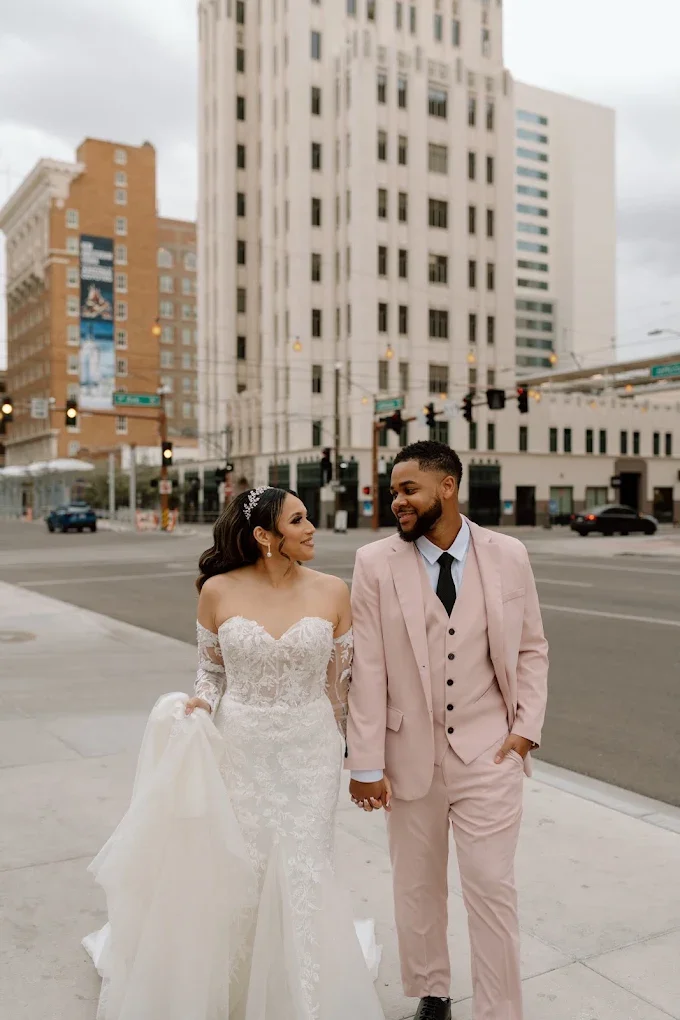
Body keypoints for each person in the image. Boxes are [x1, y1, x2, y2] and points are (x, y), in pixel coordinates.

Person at [84, 487, 384, 1020]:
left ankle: (304, 994)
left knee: (304, 863)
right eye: (298, 519)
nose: (311, 527)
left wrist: (348, 751)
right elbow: (213, 670)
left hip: (309, 749)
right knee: (243, 863)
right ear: (265, 537)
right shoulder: (217, 592)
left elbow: (342, 684)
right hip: (239, 744)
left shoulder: (336, 591)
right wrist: (203, 702)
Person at [347, 442, 549, 1020]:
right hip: (409, 753)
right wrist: (366, 762)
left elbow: (532, 647)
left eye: (408, 489)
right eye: (393, 492)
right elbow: (368, 670)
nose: (397, 502)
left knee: (491, 888)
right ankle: (433, 994)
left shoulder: (508, 554)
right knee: (417, 888)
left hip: (489, 752)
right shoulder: (374, 563)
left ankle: (500, 1009)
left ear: (447, 487)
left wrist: (525, 731)